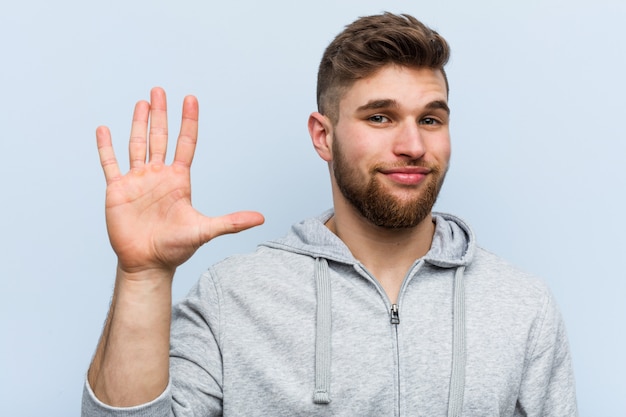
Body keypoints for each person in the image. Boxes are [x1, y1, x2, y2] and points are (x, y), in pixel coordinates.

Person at [82, 12, 578, 417]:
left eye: (430, 119)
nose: (412, 146)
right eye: (379, 117)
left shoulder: (522, 306)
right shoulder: (233, 299)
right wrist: (142, 276)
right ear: (324, 135)